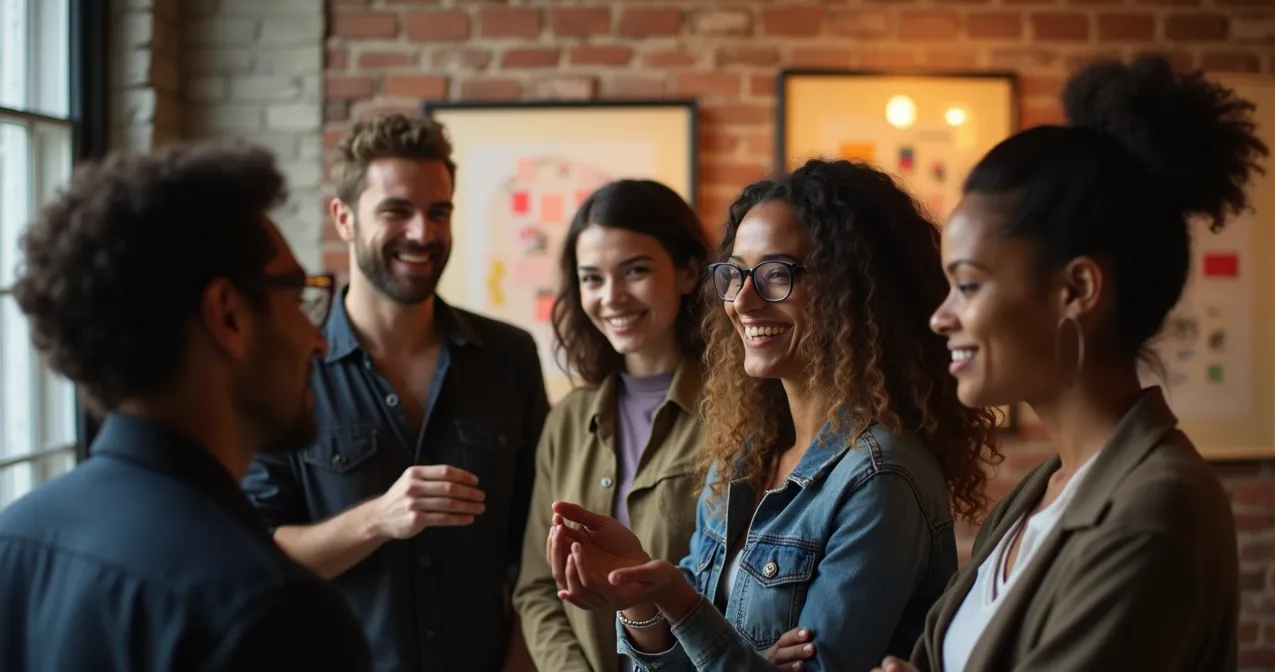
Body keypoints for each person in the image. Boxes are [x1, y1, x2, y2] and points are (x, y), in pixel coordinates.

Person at [879, 54, 1266, 672]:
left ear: (1078, 290)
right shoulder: (1041, 492)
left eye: (969, 285)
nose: (940, 317)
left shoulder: (1154, 510)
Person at [549, 159, 1001, 671]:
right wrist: (636, 595)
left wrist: (681, 603)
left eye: (776, 274)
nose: (742, 300)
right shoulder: (744, 457)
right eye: (735, 274)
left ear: (850, 290)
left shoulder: (880, 475)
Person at [0, 142, 371, 671]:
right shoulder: (274, 612)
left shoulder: (15, 536)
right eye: (298, 297)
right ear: (229, 316)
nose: (319, 340)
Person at [241, 114, 550, 672]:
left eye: (439, 212)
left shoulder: (510, 358)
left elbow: (537, 548)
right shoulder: (288, 367)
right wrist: (378, 518)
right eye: (396, 211)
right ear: (345, 219)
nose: (423, 233)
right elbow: (255, 555)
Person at [512, 179, 710, 671]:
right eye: (592, 279)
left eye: (635, 271)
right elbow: (538, 589)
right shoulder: (568, 420)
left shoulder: (739, 413)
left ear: (687, 272)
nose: (612, 297)